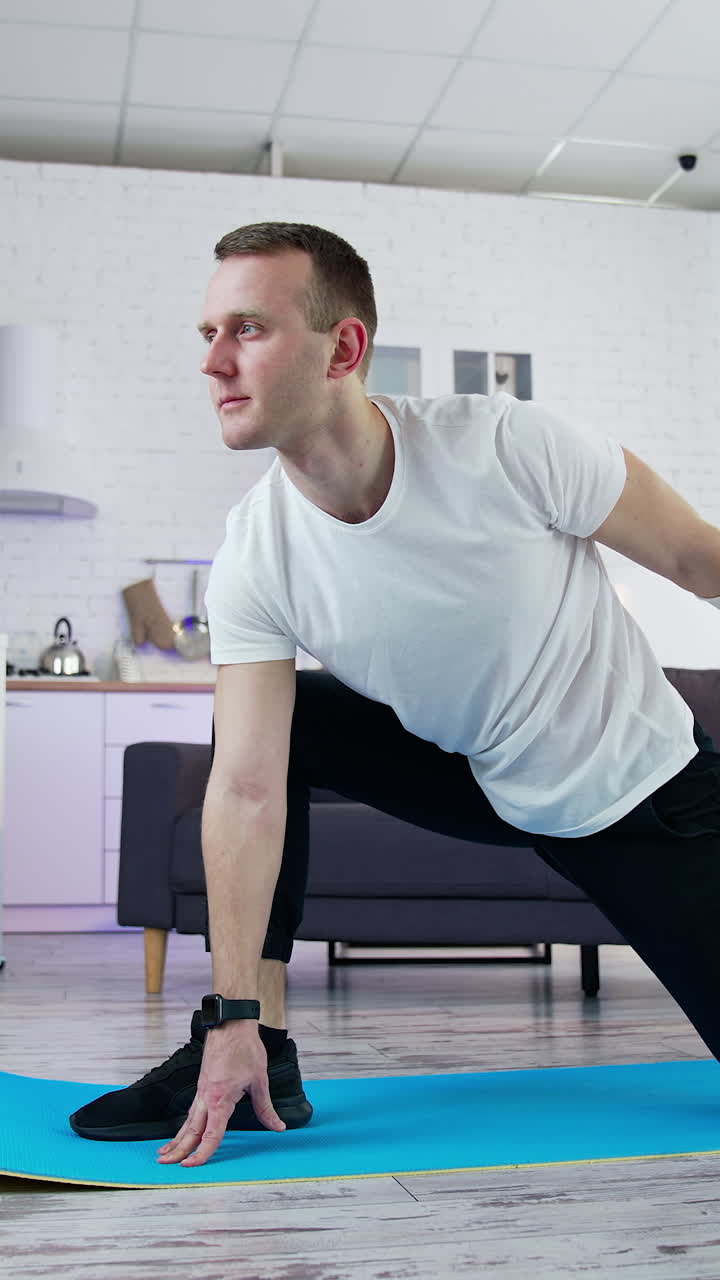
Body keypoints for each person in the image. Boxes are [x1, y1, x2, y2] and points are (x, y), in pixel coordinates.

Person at [70, 221, 720, 1170]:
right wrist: (233, 1018)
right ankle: (265, 1054)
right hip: (485, 778)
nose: (213, 362)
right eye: (206, 334)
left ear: (345, 348)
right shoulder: (256, 551)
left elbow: (702, 562)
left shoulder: (508, 447)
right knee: (289, 723)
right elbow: (249, 789)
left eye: (247, 329)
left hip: (646, 802)